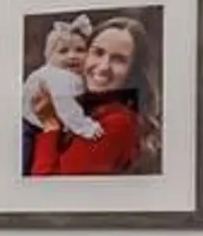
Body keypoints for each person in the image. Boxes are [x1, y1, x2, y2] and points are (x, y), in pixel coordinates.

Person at [30, 13, 151, 176]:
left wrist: (50, 125)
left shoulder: (117, 123)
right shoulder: (83, 104)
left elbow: (49, 190)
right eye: (98, 53)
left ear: (133, 71)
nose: (103, 67)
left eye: (119, 60)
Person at [18, 12, 104, 151]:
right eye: (63, 51)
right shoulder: (58, 76)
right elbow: (65, 104)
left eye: (80, 50)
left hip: (47, 123)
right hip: (29, 127)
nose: (72, 56)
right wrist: (86, 127)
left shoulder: (76, 76)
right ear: (50, 57)